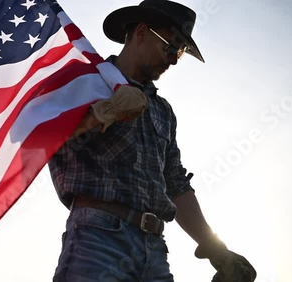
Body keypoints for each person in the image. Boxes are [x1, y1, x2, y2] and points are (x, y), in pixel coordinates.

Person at [48, 0, 257, 281]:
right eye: (171, 46)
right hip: (97, 239)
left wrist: (215, 248)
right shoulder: (85, 82)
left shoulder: (163, 112)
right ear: (142, 32)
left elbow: (176, 184)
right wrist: (103, 112)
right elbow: (37, 137)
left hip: (155, 251)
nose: (174, 59)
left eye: (180, 52)